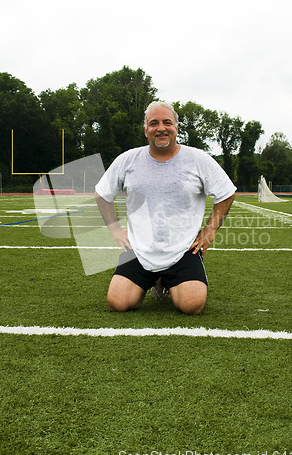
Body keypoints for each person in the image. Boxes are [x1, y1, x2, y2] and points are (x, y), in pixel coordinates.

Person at [95, 101, 236, 315]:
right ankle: (154, 280)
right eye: (154, 123)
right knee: (118, 303)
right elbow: (102, 193)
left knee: (192, 306)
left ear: (176, 128)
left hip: (183, 250)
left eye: (167, 122)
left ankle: (170, 282)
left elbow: (226, 192)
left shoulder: (198, 159)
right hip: (139, 250)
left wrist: (209, 231)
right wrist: (115, 229)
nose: (161, 128)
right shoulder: (128, 160)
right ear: (146, 130)